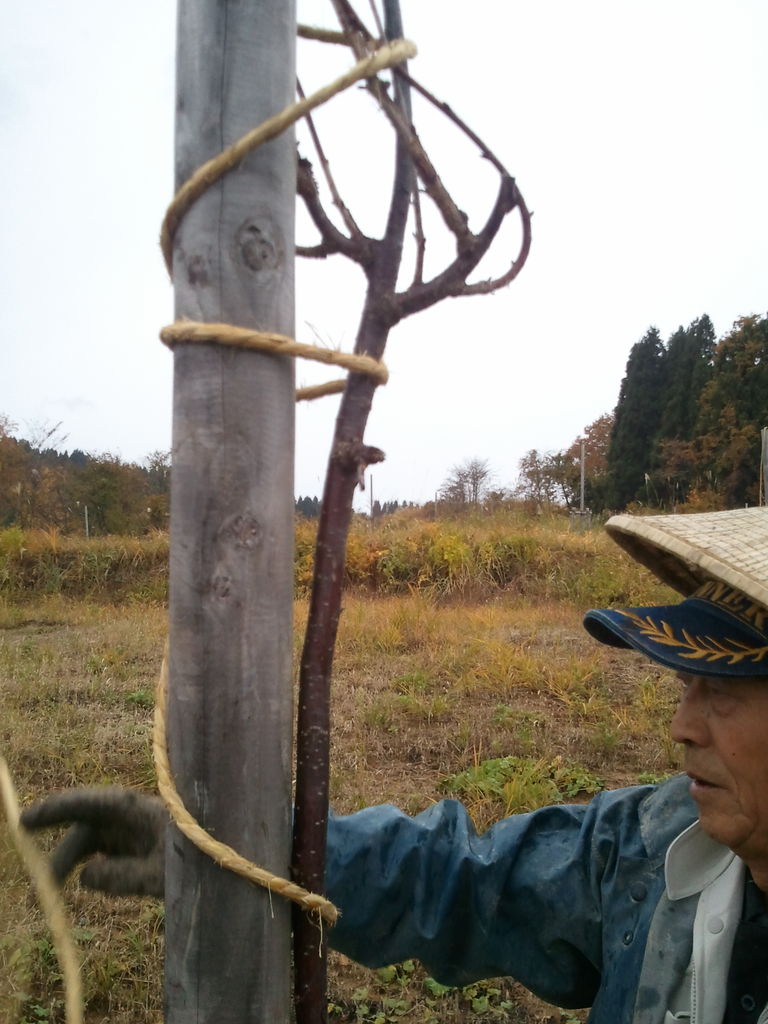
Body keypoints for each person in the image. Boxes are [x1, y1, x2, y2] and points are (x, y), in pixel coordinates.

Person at [20, 506, 768, 1023]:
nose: (682, 727)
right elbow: (461, 881)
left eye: (724, 693)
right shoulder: (648, 844)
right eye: (684, 685)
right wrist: (238, 845)